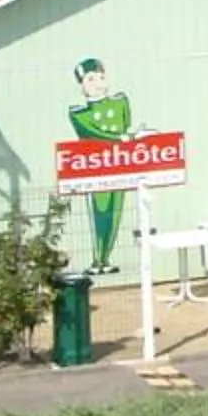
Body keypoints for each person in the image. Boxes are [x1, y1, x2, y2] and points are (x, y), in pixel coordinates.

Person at [67, 58, 133, 273]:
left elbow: (125, 124)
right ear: (81, 84)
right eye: (91, 78)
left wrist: (126, 139)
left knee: (115, 213)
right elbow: (91, 133)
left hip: (119, 165)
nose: (97, 82)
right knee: (100, 212)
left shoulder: (120, 102)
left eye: (101, 77)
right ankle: (97, 260)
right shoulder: (79, 113)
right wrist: (120, 139)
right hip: (96, 169)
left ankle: (106, 259)